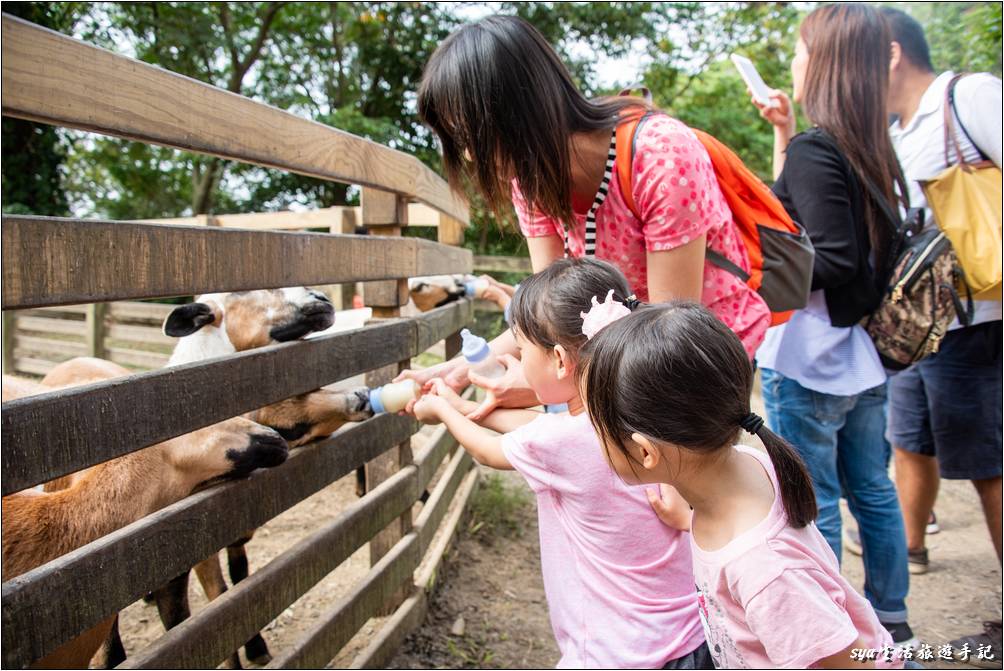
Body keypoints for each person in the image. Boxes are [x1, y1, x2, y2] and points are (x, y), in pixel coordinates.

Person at [398, 14, 770, 417]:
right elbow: (547, 314)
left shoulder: (660, 154)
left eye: (471, 135)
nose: (469, 155)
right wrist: (459, 370)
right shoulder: (530, 180)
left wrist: (538, 386)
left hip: (696, 355)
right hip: (617, 354)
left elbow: (667, 333)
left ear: (516, 112)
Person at [408, 257, 709, 669]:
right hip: (690, 638)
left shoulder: (558, 440)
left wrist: (442, 410)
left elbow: (491, 452)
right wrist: (466, 406)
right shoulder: (640, 411)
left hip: (617, 652)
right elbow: (547, 438)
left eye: (522, 346)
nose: (519, 359)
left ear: (560, 361)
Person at [579, 300, 903, 669]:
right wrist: (688, 520)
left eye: (596, 427)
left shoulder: (766, 573)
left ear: (644, 451)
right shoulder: (747, 465)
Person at [750, 4, 916, 646]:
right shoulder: (871, 147)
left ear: (826, 63)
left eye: (800, 49)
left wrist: (754, 286)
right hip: (861, 358)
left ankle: (838, 637)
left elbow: (834, 253)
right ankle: (891, 621)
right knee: (872, 488)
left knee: (815, 498)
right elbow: (813, 215)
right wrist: (786, 133)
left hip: (808, 359)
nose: (793, 62)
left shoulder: (823, 146)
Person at [880, 6, 1002, 660]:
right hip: (921, 330)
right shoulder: (898, 129)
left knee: (989, 465)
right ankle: (915, 545)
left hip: (976, 321)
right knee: (910, 442)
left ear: (891, 53)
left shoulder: (969, 96)